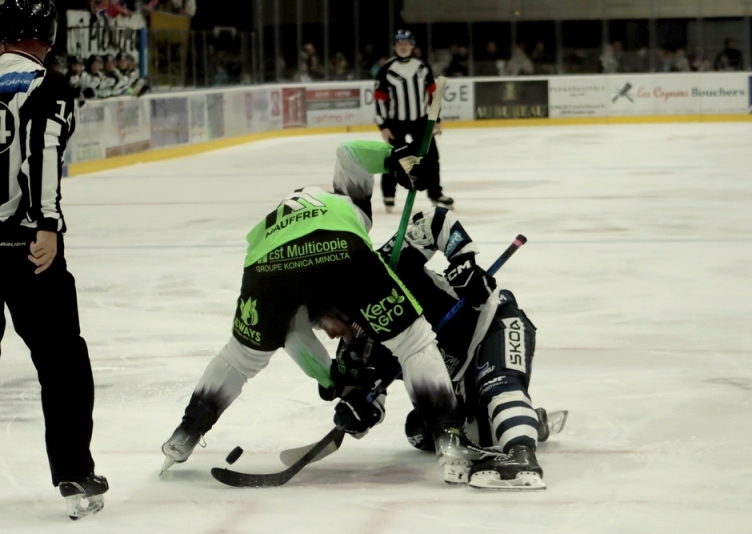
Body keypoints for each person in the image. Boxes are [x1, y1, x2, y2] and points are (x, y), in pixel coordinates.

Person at [160, 141, 501, 484]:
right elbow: (349, 154)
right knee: (413, 342)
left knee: (238, 359)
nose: (334, 334)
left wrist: (332, 379)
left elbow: (294, 338)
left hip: (264, 268)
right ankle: (450, 440)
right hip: (339, 249)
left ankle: (186, 433)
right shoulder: (344, 205)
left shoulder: (279, 228)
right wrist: (394, 158)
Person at [315, 207, 568, 490]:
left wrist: (464, 264)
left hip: (491, 322)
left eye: (328, 320)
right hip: (457, 377)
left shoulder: (385, 267)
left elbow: (434, 222)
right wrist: (358, 413)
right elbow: (370, 400)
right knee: (420, 431)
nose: (330, 332)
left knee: (499, 387)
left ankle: (522, 456)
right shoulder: (353, 350)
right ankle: (525, 421)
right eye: (319, 326)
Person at [0, 0, 108, 520]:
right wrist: (47, 224)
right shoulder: (48, 85)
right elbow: (44, 149)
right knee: (62, 361)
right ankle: (73, 471)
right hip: (26, 249)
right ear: (48, 34)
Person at [374, 29, 454, 212]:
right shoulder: (386, 69)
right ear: (395, 46)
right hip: (396, 122)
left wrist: (437, 119)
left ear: (412, 45)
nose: (403, 46)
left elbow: (434, 94)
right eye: (399, 43)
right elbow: (379, 99)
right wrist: (383, 125)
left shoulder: (422, 66)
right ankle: (389, 195)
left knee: (431, 157)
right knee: (394, 158)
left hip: (421, 121)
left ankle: (435, 193)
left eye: (406, 42)